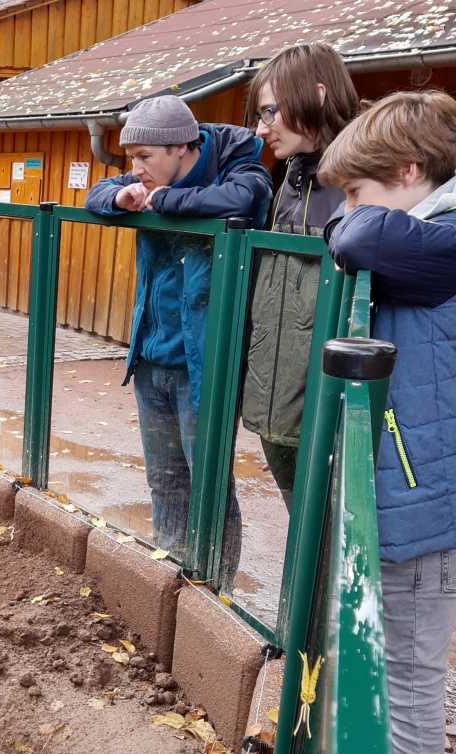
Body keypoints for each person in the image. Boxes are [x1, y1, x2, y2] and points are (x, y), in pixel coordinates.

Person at [319, 89, 456, 754]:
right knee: (399, 662)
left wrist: (350, 222)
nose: (348, 208)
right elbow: (360, 226)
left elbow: (360, 234)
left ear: (410, 171)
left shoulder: (441, 240)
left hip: (426, 494)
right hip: (418, 480)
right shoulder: (428, 232)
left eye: (359, 187)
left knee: (408, 674)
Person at [85, 95, 271, 585]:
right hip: (151, 360)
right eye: (132, 158)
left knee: (207, 481)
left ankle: (214, 589)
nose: (136, 169)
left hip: (204, 366)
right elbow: (97, 194)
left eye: (145, 157)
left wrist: (162, 202)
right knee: (164, 479)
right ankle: (171, 576)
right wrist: (117, 197)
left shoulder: (239, 172)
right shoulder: (144, 181)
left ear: (182, 149)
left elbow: (240, 201)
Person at [240, 43, 360, 509]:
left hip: (327, 408)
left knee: (329, 528)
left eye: (269, 111)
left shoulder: (362, 181)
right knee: (302, 517)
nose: (260, 128)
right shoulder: (287, 178)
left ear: (316, 93)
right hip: (280, 404)